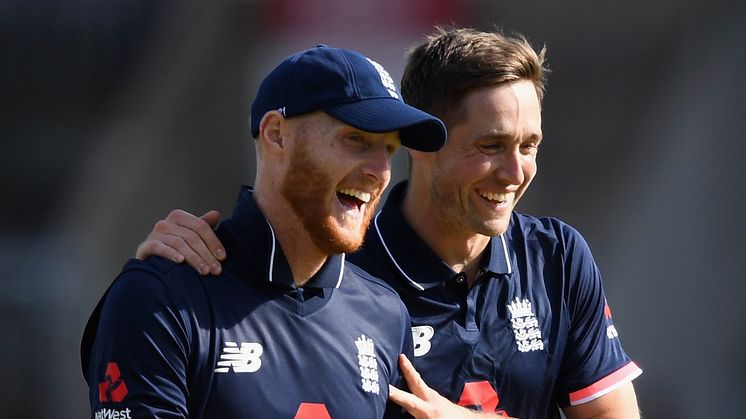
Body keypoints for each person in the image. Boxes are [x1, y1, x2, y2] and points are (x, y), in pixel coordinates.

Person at [136, 27, 643, 419]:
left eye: (529, 146)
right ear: (423, 147)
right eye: (490, 146)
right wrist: (179, 265)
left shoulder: (556, 256)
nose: (516, 173)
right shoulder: (340, 258)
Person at [80, 45, 449, 419]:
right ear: (276, 134)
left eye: (389, 149)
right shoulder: (162, 296)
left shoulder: (385, 313)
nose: (380, 171)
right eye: (356, 140)